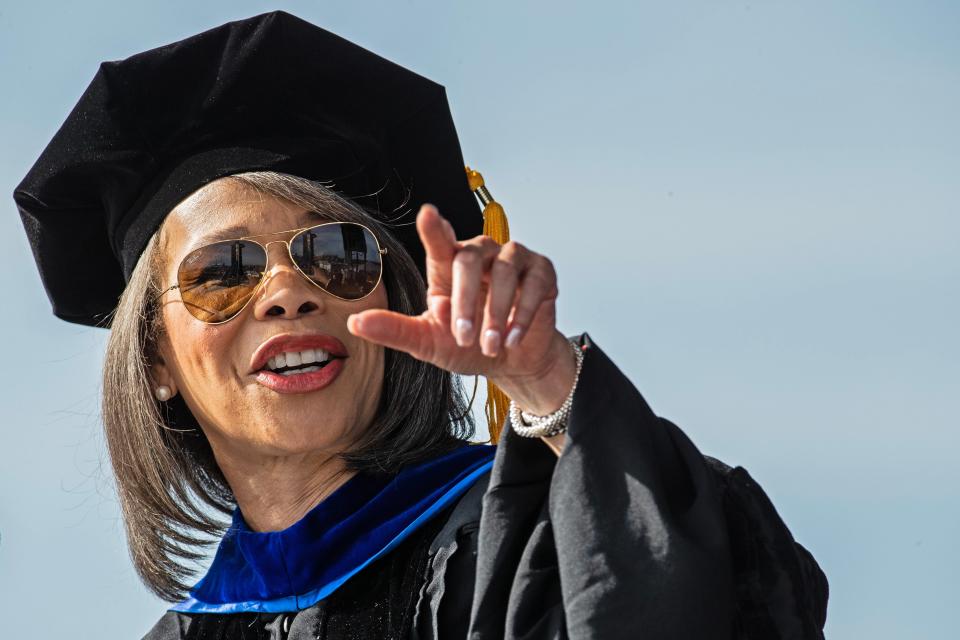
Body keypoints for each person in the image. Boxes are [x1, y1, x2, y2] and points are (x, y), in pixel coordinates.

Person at [14, 10, 828, 640]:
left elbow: (713, 605)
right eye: (222, 272)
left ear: (395, 303)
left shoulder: (521, 548)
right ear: (155, 357)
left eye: (337, 254)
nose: (288, 294)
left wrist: (543, 378)